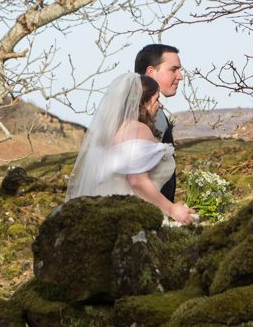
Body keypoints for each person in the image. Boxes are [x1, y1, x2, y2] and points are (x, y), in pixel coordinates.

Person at [67, 71, 197, 225]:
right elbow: (137, 180)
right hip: (135, 216)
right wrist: (172, 209)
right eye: (156, 99)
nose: (160, 105)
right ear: (143, 103)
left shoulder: (111, 133)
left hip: (107, 211)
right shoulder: (139, 130)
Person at [134, 43, 183, 201]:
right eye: (173, 69)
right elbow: (138, 178)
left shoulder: (136, 109)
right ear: (151, 72)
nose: (180, 76)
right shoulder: (149, 116)